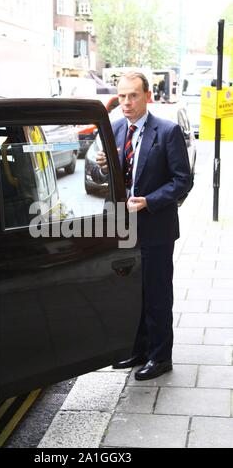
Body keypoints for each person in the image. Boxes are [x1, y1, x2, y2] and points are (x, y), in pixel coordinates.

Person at [92, 72, 191, 380]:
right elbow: (106, 180)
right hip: (125, 228)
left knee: (156, 293)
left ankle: (161, 357)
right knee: (132, 292)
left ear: (147, 96)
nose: (126, 102)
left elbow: (182, 180)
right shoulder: (116, 129)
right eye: (121, 96)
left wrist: (149, 200)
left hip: (156, 229)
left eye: (133, 96)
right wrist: (104, 167)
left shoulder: (167, 131)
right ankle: (138, 350)